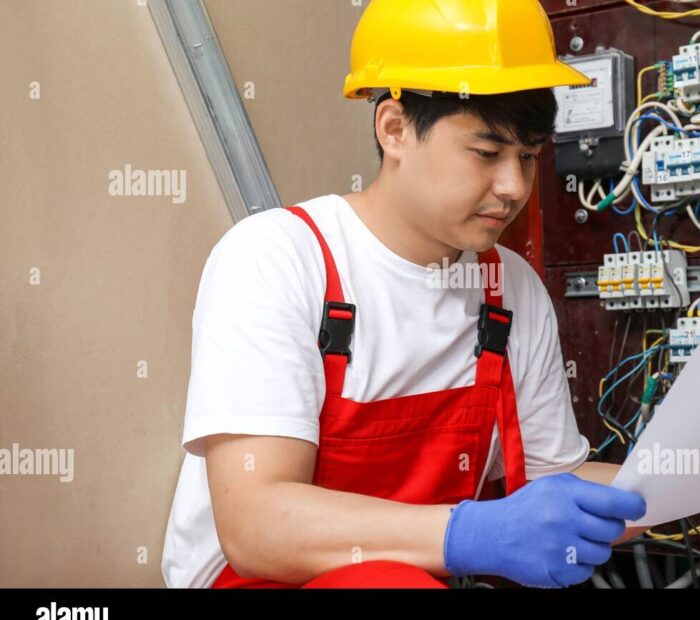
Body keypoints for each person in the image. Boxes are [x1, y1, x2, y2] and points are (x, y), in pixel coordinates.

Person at [162, 0, 646, 589]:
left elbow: (557, 482)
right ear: (394, 129)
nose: (514, 187)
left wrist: (680, 477)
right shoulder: (279, 258)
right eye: (487, 154)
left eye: (528, 157)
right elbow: (257, 526)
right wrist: (470, 534)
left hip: (424, 574)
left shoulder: (509, 286)